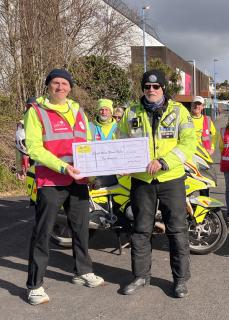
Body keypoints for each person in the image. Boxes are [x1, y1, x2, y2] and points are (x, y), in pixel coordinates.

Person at [24, 69, 104, 305]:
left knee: (81, 229)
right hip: (51, 181)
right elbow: (35, 149)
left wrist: (93, 170)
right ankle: (35, 285)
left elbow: (88, 143)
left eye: (64, 83)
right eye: (55, 83)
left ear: (70, 87)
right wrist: (62, 167)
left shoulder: (78, 110)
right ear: (48, 86)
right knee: (43, 232)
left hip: (78, 181)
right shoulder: (36, 111)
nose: (60, 87)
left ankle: (82, 271)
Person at [118, 69, 197, 298]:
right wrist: (121, 162)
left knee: (177, 230)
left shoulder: (179, 111)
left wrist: (164, 161)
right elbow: (120, 142)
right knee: (141, 231)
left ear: (163, 88)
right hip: (142, 181)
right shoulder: (131, 111)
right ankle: (141, 276)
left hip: (171, 179)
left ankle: (180, 280)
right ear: (142, 88)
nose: (151, 90)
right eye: (147, 87)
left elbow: (188, 144)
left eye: (156, 86)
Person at [15, 97, 37, 181]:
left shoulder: (45, 119)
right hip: (30, 156)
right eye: (30, 107)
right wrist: (19, 169)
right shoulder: (22, 122)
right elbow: (18, 147)